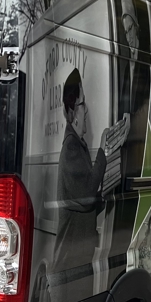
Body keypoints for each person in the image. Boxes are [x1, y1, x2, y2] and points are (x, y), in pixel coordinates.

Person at [55, 69, 115, 284]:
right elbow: (87, 191)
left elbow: (83, 199)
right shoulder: (71, 147)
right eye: (82, 104)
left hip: (75, 262)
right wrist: (103, 150)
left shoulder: (77, 145)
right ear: (72, 110)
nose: (86, 110)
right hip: (69, 267)